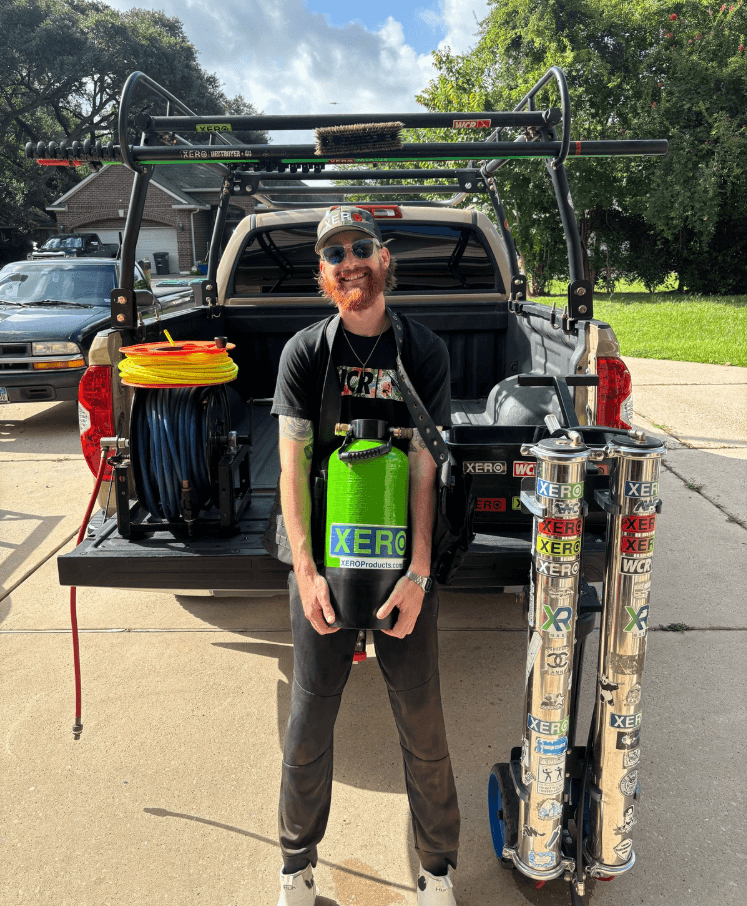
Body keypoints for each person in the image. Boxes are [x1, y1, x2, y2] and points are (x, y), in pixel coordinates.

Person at [270, 207, 460, 906]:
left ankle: (436, 868)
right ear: (322, 276)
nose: (347, 261)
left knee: (421, 719)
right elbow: (291, 468)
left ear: (384, 260)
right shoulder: (305, 354)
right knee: (310, 719)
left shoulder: (424, 352)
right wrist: (306, 572)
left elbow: (421, 468)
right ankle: (296, 867)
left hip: (399, 568)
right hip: (322, 561)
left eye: (358, 247)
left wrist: (417, 573)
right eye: (332, 254)